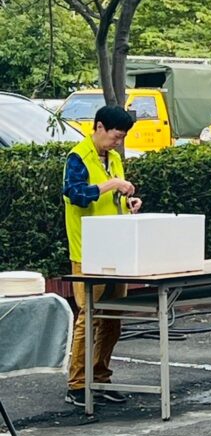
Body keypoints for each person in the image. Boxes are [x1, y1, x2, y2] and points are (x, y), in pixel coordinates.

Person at [63, 105, 142, 407]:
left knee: (112, 317)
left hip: (116, 249)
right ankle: (77, 384)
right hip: (88, 251)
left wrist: (128, 200)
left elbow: (112, 197)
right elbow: (76, 195)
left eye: (121, 138)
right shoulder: (78, 157)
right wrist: (112, 185)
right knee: (89, 316)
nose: (117, 142)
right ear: (99, 127)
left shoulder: (114, 158)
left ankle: (100, 377)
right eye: (114, 136)